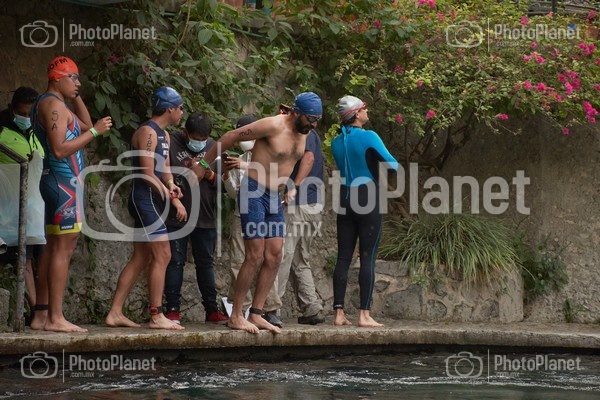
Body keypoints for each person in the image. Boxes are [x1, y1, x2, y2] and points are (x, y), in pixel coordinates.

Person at [193, 92, 323, 334]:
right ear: (296, 113)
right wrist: (203, 165)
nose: (314, 125)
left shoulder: (305, 132)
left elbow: (305, 158)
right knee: (254, 255)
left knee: (274, 256)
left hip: (275, 198)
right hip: (253, 192)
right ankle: (236, 315)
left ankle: (256, 313)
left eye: (317, 120)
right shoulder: (272, 125)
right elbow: (230, 136)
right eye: (311, 119)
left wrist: (293, 185)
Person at [31, 56, 112, 332]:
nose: (78, 83)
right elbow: (59, 150)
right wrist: (96, 132)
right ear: (57, 79)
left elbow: (86, 124)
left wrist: (76, 98)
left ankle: (42, 315)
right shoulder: (54, 106)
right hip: (62, 184)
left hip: (60, 183)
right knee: (63, 249)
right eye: (73, 78)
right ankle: (56, 318)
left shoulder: (55, 103)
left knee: (52, 248)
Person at [105, 86, 185, 331]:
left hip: (154, 198)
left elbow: (165, 170)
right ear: (170, 109)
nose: (182, 113)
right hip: (144, 199)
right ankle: (156, 315)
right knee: (164, 254)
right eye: (180, 108)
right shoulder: (147, 132)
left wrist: (172, 188)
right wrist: (168, 195)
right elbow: (148, 173)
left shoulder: (165, 135)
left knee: (141, 257)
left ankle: (115, 313)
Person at [330, 95, 398, 328]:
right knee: (368, 256)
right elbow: (393, 165)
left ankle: (338, 313)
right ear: (356, 114)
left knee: (343, 256)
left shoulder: (336, 141)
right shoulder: (369, 136)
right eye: (364, 108)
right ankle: (364, 315)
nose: (367, 111)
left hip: (345, 198)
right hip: (367, 196)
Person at [163, 111, 229, 325]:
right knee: (175, 262)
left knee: (206, 263)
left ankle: (212, 310)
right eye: (195, 138)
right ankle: (172, 310)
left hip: (205, 215)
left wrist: (210, 175)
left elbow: (225, 186)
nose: (200, 143)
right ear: (185, 133)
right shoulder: (171, 143)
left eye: (203, 139)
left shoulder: (214, 148)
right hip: (177, 215)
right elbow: (163, 174)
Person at [222, 115, 283, 328]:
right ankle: (240, 310)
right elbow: (233, 193)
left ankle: (269, 308)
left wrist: (245, 166)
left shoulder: (272, 154)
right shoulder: (238, 158)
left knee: (271, 257)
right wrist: (226, 176)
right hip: (242, 214)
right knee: (242, 260)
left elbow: (276, 178)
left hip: (268, 209)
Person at [0, 87, 45, 315]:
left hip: (33, 208)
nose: (26, 118)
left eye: (29, 114)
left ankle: (38, 309)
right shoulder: (2, 130)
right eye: (22, 113)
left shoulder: (36, 131)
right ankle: (35, 309)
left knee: (30, 258)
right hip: (6, 208)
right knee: (18, 258)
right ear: (11, 109)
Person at [277, 128, 325, 325]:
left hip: (298, 205)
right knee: (300, 258)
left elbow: (309, 158)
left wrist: (294, 187)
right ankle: (311, 307)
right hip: (314, 205)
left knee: (282, 256)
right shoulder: (312, 133)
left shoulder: (305, 133)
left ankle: (271, 309)